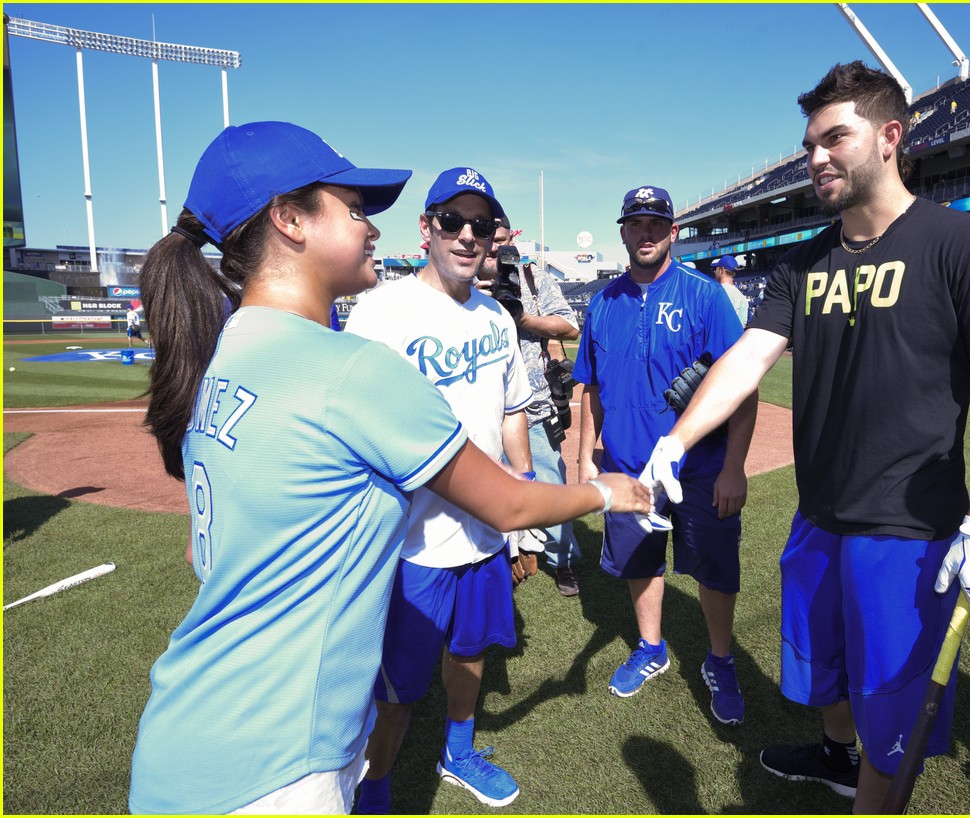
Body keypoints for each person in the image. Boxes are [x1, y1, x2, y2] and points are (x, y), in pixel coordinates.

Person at [128, 123, 649, 815]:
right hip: (278, 763)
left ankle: (444, 757)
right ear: (289, 219)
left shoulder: (220, 355)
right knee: (399, 688)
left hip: (188, 735)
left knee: (464, 654)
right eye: (352, 206)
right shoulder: (350, 366)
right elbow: (511, 506)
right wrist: (602, 490)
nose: (370, 226)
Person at [636, 62, 970, 811]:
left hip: (908, 530)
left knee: (891, 716)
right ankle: (832, 754)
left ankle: (870, 782)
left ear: (890, 138)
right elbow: (747, 358)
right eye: (809, 143)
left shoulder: (969, 243)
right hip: (817, 516)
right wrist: (678, 442)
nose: (816, 156)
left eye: (834, 137)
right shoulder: (802, 262)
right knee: (821, 671)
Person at [342, 167, 540, 810]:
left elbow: (514, 411)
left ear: (495, 238)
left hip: (484, 530)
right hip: (408, 540)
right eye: (451, 221)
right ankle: (376, 782)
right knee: (397, 684)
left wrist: (526, 504)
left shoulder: (498, 318)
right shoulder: (383, 310)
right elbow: (347, 419)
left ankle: (458, 751)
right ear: (425, 228)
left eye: (480, 225)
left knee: (472, 651)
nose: (466, 236)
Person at [574, 185, 758, 725]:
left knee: (716, 570)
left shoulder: (705, 295)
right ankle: (651, 647)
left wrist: (734, 468)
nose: (647, 232)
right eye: (637, 223)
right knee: (641, 563)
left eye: (658, 223)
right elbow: (591, 390)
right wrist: (589, 459)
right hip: (629, 467)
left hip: (701, 469)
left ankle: (720, 660)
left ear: (673, 232)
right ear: (624, 231)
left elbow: (741, 385)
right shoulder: (603, 302)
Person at [476, 224, 585, 597]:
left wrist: (521, 317)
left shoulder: (531, 275)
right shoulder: (460, 274)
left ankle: (563, 558)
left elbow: (569, 326)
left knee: (551, 483)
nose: (497, 249)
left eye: (504, 241)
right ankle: (493, 558)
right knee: (480, 491)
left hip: (534, 405)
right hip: (476, 411)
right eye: (490, 241)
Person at [711, 254, 750, 326]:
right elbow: (743, 326)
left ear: (721, 270)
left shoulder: (715, 292)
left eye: (716, 268)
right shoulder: (742, 297)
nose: (714, 271)